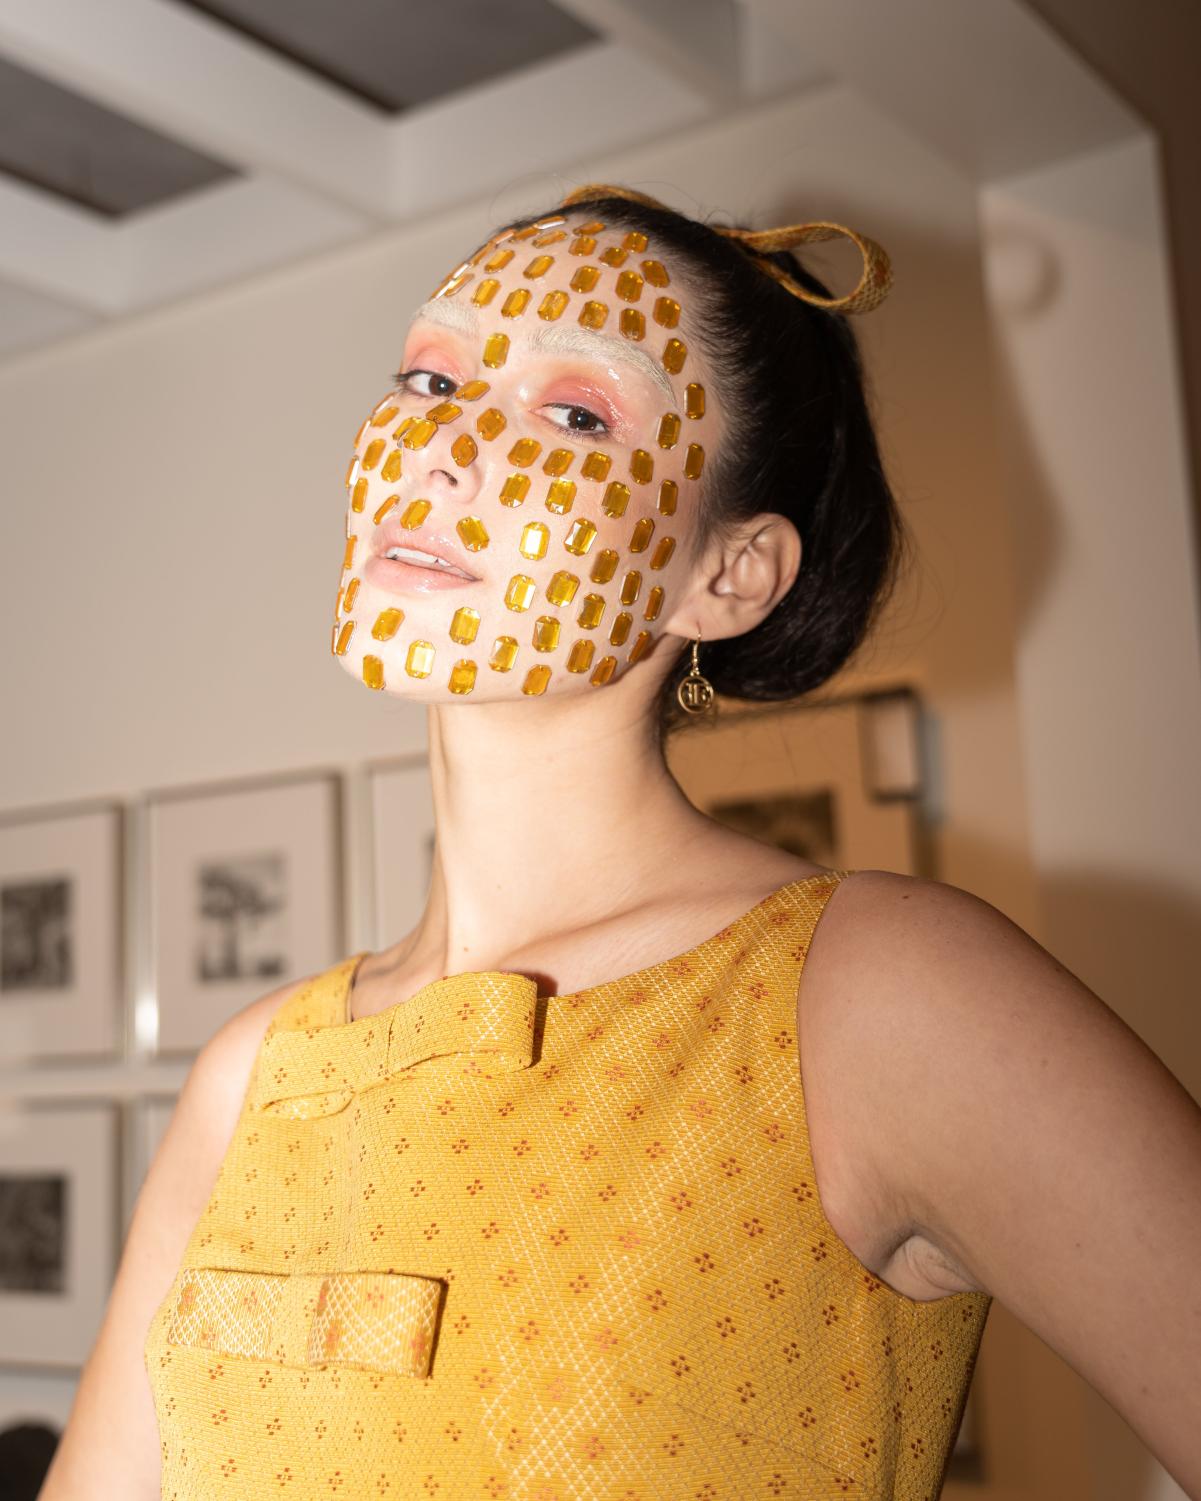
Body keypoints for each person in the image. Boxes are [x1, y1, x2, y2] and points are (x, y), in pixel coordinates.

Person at [38, 187, 1200, 1500]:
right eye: (428, 379)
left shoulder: (876, 997)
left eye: (573, 412)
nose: (442, 450)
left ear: (727, 575)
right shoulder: (251, 1075)